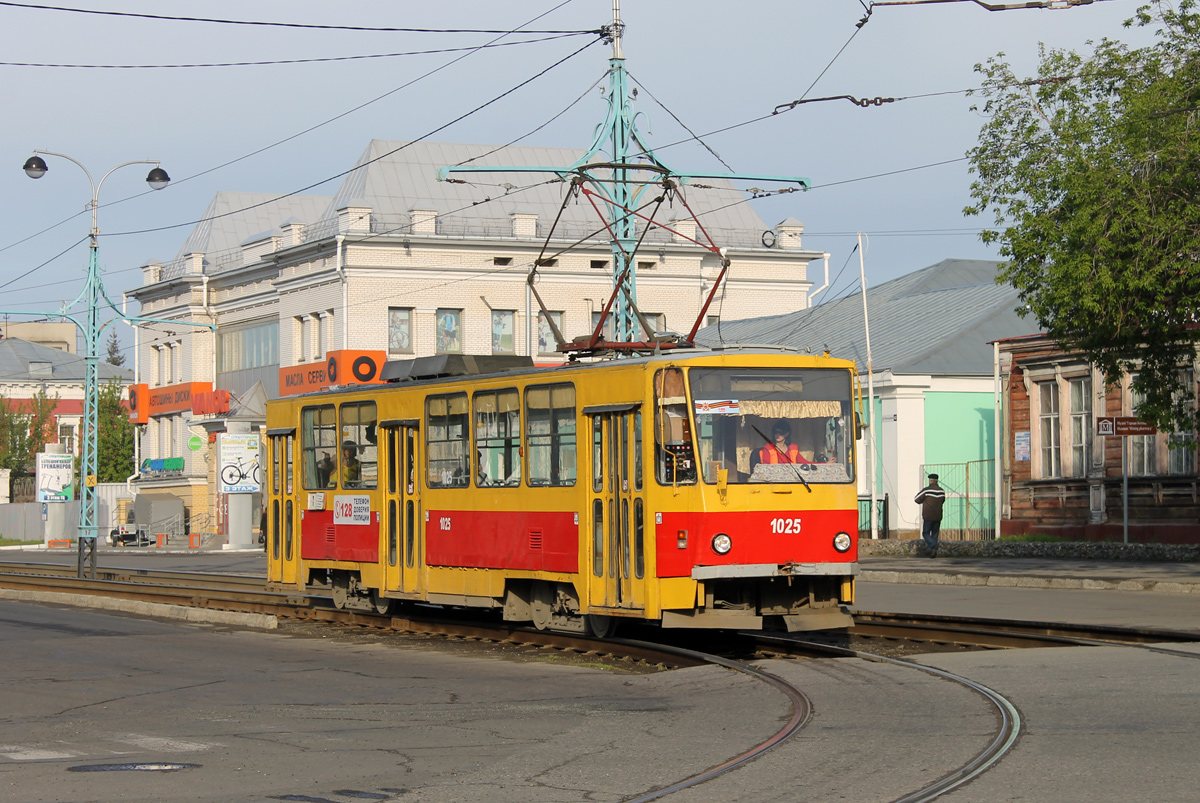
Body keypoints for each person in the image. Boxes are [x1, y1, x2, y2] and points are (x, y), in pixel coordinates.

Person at [914, 473, 947, 557]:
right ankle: (933, 552)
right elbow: (942, 501)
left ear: (930, 480)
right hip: (938, 516)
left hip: (928, 515)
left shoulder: (926, 490)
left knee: (925, 533)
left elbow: (916, 499)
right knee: (935, 533)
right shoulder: (941, 491)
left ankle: (933, 545)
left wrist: (924, 501)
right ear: (937, 480)